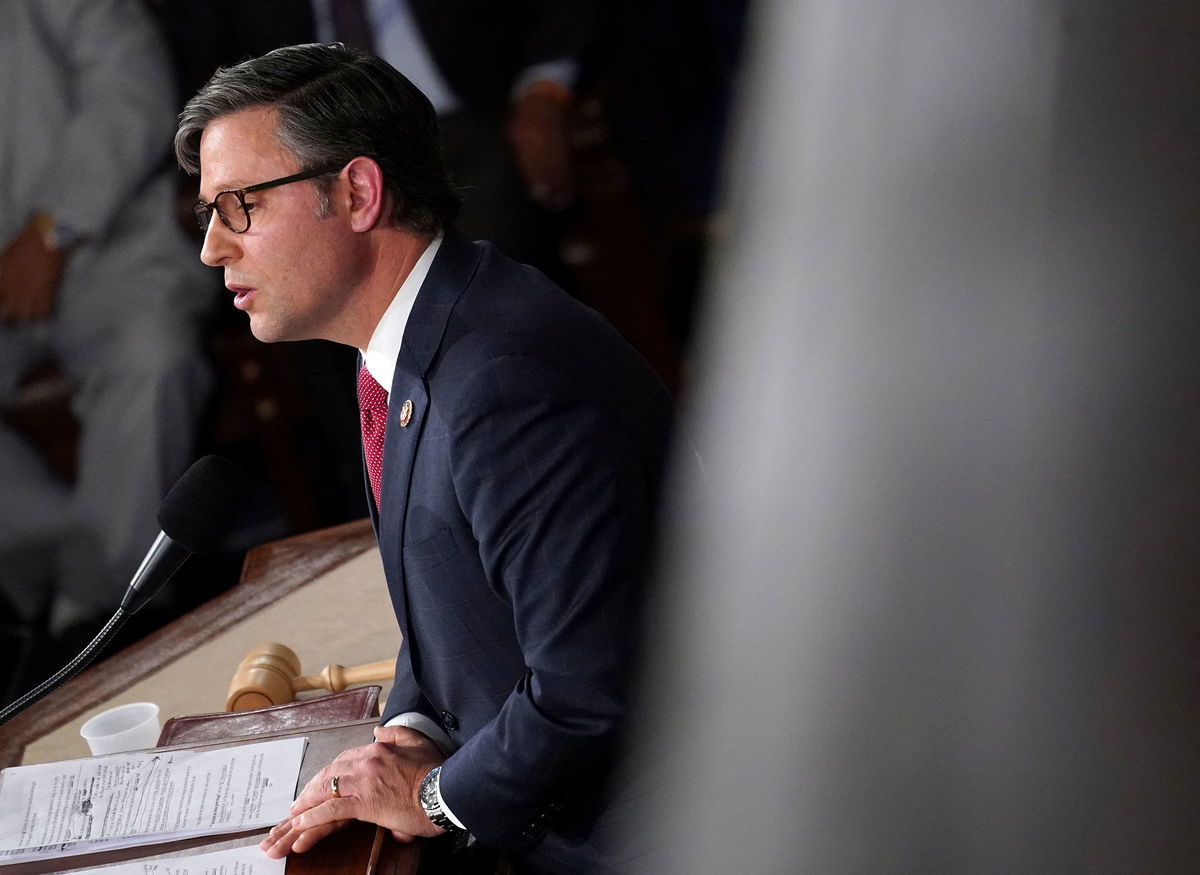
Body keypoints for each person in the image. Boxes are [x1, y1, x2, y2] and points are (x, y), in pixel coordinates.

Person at [175, 43, 673, 872]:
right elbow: (456, 601)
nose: (213, 249)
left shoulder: (501, 383)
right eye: (208, 214)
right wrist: (409, 729)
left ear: (358, 193)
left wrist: (432, 795)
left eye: (240, 206)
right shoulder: (426, 338)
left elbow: (590, 687)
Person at [0, 0, 213, 638]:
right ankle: (83, 587)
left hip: (103, 236)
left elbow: (132, 88)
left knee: (153, 351)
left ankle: (91, 621)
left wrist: (52, 228)